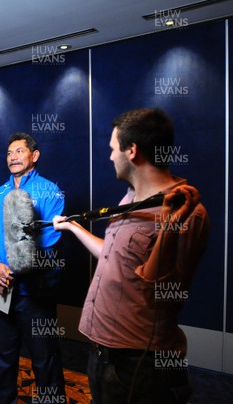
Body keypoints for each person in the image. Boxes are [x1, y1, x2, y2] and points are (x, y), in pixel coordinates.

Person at [52, 108, 209, 403]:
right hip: (104, 352)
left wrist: (170, 229)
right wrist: (73, 227)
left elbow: (163, 291)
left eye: (113, 149)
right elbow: (113, 257)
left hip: (139, 363)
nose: (110, 156)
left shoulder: (188, 214)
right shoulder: (130, 198)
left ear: (132, 151)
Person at [0, 132, 66, 403]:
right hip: (1, 291)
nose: (13, 157)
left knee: (45, 360)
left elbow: (49, 241)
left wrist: (13, 270)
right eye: (9, 153)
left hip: (35, 294)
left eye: (19, 151)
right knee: (2, 358)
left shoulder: (50, 191)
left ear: (34, 156)